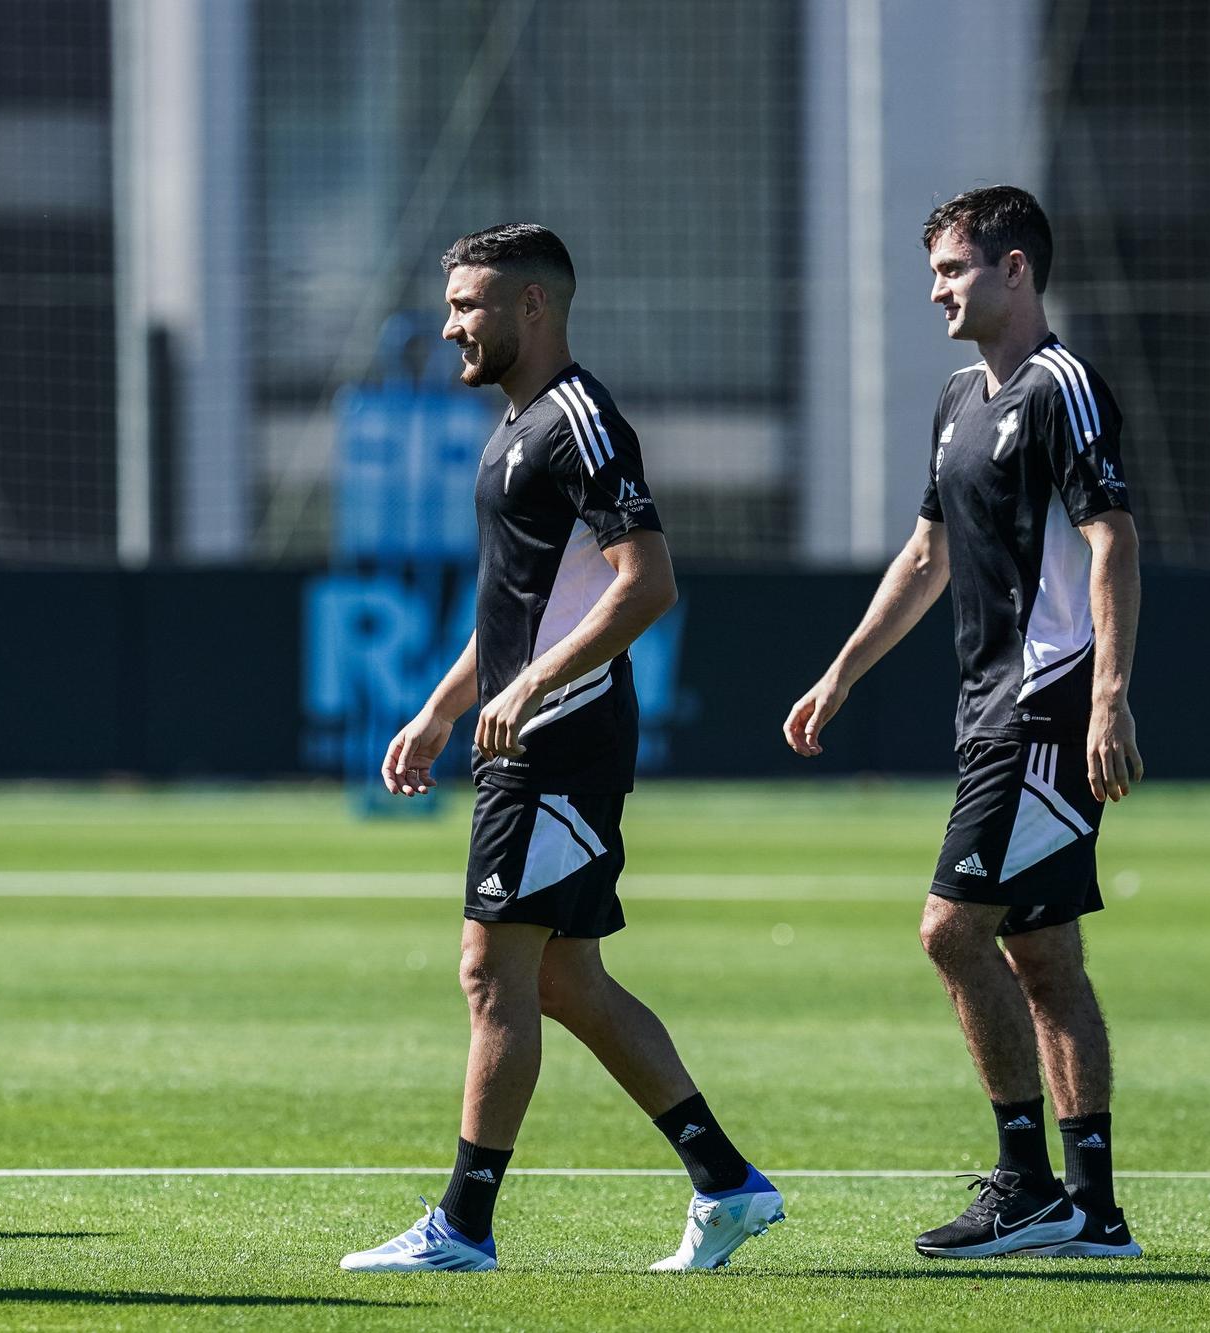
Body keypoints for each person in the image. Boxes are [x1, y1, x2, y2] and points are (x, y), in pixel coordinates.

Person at [341, 223, 782, 1274]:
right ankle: (726, 1182)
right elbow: (519, 610)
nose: (451, 324)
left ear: (533, 305)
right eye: (451, 305)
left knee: (491, 971)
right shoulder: (512, 427)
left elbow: (648, 582)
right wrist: (441, 707)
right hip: (530, 731)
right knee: (566, 980)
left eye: (469, 305)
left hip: (560, 741)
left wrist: (533, 684)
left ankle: (463, 1224)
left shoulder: (579, 421)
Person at [784, 186, 1144, 1260]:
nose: (936, 288)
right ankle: (1091, 1209)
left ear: (1016, 270)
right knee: (1042, 956)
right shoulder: (955, 398)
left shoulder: (1062, 389)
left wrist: (1108, 696)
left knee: (950, 931)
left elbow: (1110, 539)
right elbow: (926, 553)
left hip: (1045, 709)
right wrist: (842, 671)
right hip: (989, 710)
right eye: (934, 271)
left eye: (952, 268)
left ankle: (1027, 1184)